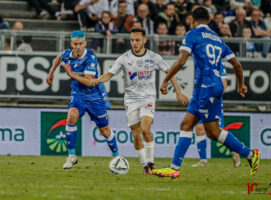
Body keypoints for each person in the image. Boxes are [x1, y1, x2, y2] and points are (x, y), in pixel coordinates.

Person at [152, 7, 260, 178]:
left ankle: (250, 155)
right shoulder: (218, 39)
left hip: (207, 87)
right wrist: (241, 85)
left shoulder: (192, 34)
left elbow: (181, 60)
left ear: (193, 21)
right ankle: (174, 168)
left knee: (213, 132)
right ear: (209, 21)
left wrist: (166, 80)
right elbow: (237, 65)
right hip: (210, 86)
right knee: (187, 124)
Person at [90, 27, 189, 174]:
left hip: (147, 97)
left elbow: (170, 72)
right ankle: (146, 166)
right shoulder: (124, 58)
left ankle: (151, 162)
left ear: (144, 40)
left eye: (137, 40)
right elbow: (109, 74)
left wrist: (178, 92)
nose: (134, 43)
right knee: (136, 134)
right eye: (132, 40)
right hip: (130, 100)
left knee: (145, 128)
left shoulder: (153, 57)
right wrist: (97, 80)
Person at [46, 30, 119, 169]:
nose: (78, 46)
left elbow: (88, 81)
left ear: (85, 43)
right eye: (75, 44)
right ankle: (72, 156)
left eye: (81, 43)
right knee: (71, 117)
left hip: (94, 97)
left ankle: (117, 156)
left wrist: (71, 74)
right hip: (78, 95)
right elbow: (59, 57)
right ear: (71, 44)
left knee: (104, 130)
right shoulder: (68, 54)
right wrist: (51, 73)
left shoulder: (90, 57)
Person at [192, 64, 241, 168]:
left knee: (217, 132)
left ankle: (235, 149)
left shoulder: (219, 65)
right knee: (199, 128)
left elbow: (224, 83)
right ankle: (203, 161)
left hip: (214, 101)